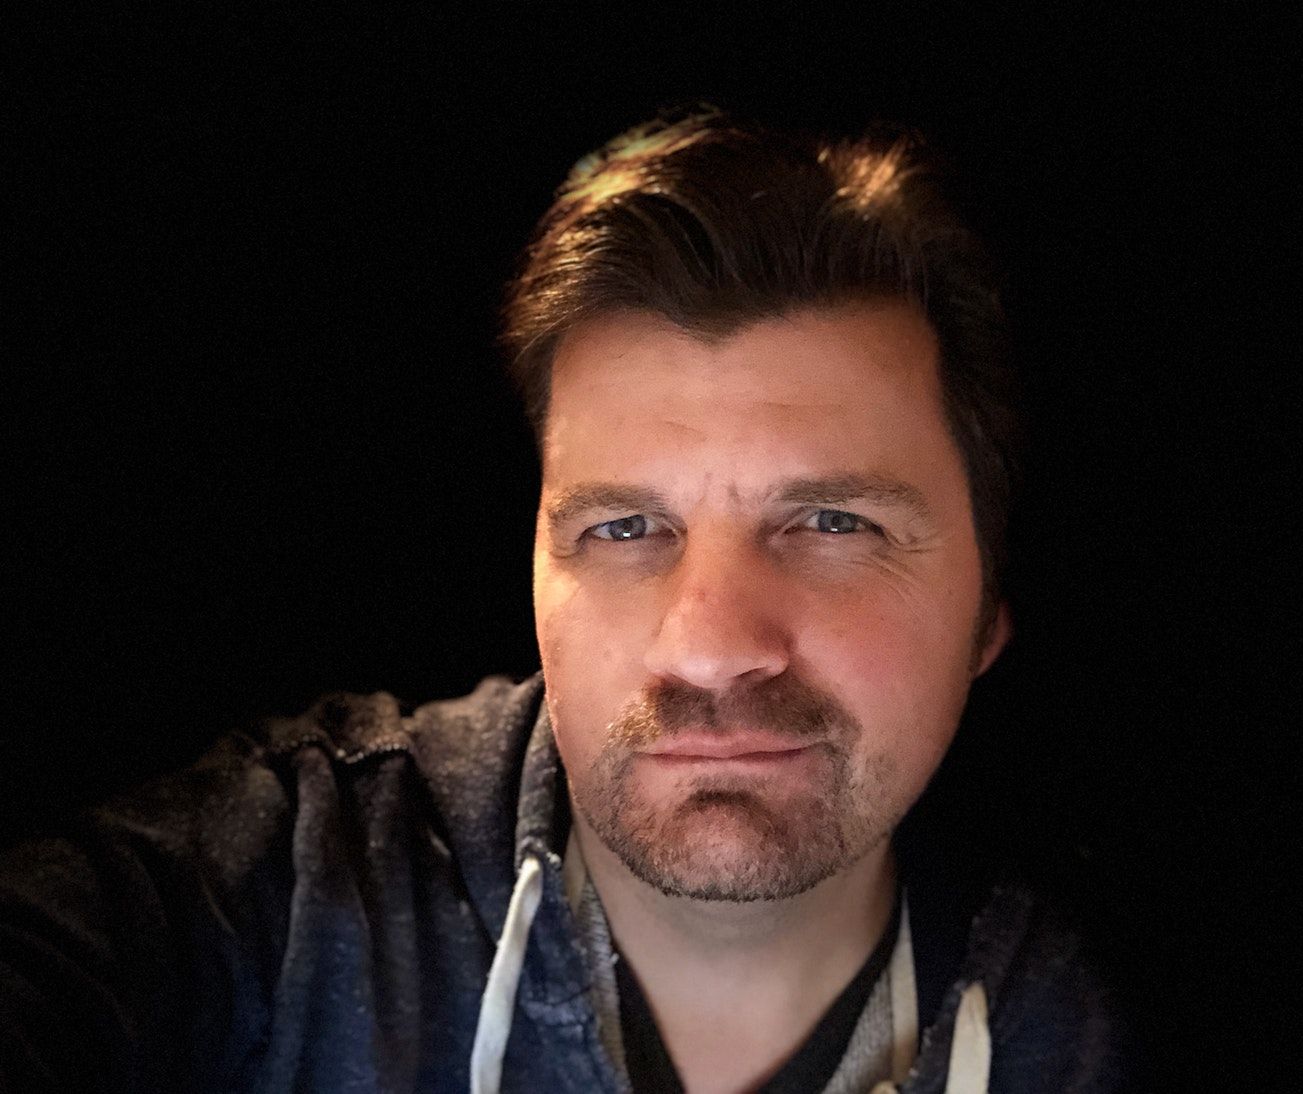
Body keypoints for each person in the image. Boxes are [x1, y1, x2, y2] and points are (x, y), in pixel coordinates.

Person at [0, 108, 1118, 1093]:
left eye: (834, 523)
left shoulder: (1096, 1023)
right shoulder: (279, 893)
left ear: (987, 613)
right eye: (623, 529)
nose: (708, 646)